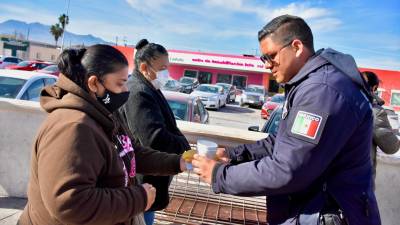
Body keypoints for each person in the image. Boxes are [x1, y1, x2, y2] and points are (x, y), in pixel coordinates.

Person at [192, 15, 381, 225]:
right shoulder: (310, 84)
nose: (266, 65)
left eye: (270, 56)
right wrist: (232, 155)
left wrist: (219, 175)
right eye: (263, 59)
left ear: (297, 47)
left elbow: (288, 170)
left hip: (324, 214)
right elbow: (281, 142)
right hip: (310, 212)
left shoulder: (323, 91)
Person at [18, 45, 186, 225]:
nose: (124, 91)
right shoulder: (73, 127)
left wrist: (176, 162)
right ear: (94, 83)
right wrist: (138, 198)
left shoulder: (102, 114)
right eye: (120, 84)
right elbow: (70, 203)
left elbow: (129, 152)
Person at [120, 39, 190, 225]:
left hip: (151, 181)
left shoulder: (149, 86)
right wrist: (183, 146)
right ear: (144, 67)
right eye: (162, 68)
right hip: (145, 181)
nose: (166, 73)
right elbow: (154, 139)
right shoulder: (138, 92)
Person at [361, 71, 399, 186]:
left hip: (328, 176)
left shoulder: (338, 101)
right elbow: (390, 147)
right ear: (374, 88)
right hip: (358, 181)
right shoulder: (374, 112)